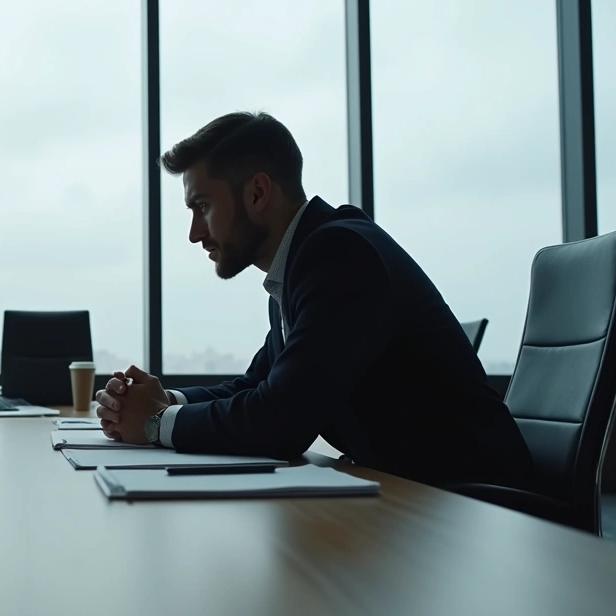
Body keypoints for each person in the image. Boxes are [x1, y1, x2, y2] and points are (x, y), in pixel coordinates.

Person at [95, 111, 533, 490]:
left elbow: (282, 419)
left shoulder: (339, 255)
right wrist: (165, 400)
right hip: (413, 491)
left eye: (203, 206)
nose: (194, 232)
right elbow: (257, 386)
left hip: (474, 508)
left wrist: (155, 425)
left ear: (257, 193)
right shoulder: (299, 264)